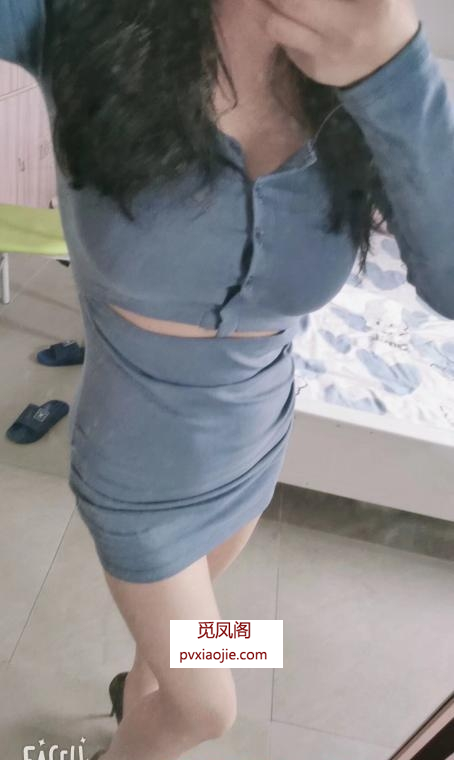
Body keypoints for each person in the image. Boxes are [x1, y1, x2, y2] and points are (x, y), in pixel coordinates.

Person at [1, 1, 453, 758]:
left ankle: (136, 692)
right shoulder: (78, 16)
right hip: (138, 478)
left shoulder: (366, 38)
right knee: (208, 710)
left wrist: (393, 70)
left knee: (181, 646)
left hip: (256, 446)